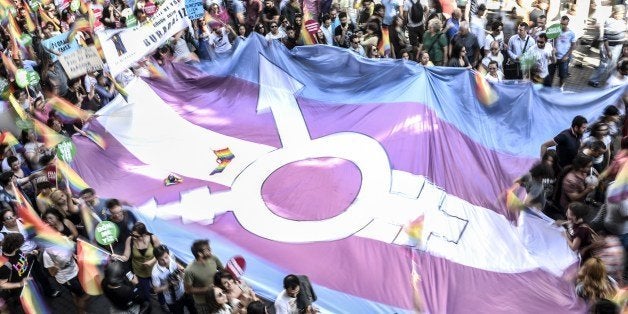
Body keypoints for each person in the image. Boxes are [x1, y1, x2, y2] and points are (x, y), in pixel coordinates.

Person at [113, 222, 162, 303]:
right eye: (132, 234)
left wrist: (151, 261)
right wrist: (117, 256)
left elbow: (160, 254)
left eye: (136, 236)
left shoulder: (153, 238)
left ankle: (162, 303)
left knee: (159, 290)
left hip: (155, 270)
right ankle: (148, 306)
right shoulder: (130, 240)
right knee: (145, 294)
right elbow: (126, 257)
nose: (133, 237)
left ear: (144, 234)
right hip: (140, 272)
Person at [588, 6, 626, 88]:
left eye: (623, 13)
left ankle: (609, 81)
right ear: (615, 13)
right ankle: (593, 80)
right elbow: (604, 37)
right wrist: (608, 50)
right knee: (604, 65)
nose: (622, 15)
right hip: (608, 46)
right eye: (621, 13)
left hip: (618, 46)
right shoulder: (609, 21)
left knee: (612, 65)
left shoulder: (622, 22)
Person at [43, 246, 89, 313]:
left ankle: (79, 308)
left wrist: (74, 255)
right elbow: (52, 273)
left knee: (75, 294)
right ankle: (81, 311)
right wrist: (57, 264)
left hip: (76, 271)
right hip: (68, 279)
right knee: (84, 295)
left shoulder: (63, 242)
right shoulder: (47, 254)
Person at [151, 245, 196, 314]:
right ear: (157, 259)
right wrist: (169, 284)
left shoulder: (170, 256)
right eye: (161, 259)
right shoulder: (155, 273)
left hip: (184, 291)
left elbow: (176, 264)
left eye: (166, 257)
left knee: (193, 309)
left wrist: (181, 270)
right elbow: (156, 290)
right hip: (172, 300)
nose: (165, 261)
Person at [184, 239, 224, 313]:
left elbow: (223, 271)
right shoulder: (189, 270)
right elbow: (188, 290)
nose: (210, 250)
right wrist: (206, 289)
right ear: (200, 254)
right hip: (203, 304)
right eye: (208, 249)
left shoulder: (214, 258)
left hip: (217, 299)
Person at [0, 233, 30, 313]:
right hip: (16, 292)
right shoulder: (5, 266)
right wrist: (20, 284)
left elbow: (18, 259)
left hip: (26, 285)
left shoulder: (17, 252)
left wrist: (29, 254)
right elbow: (2, 284)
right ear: (16, 247)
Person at [545, 16, 576, 90]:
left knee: (562, 76)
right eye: (561, 23)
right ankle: (548, 89)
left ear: (567, 24)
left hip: (563, 58)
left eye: (564, 24)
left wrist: (567, 56)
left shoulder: (571, 33)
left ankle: (560, 89)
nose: (562, 25)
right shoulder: (556, 31)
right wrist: (553, 48)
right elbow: (550, 39)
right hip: (554, 57)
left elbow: (573, 45)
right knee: (550, 74)